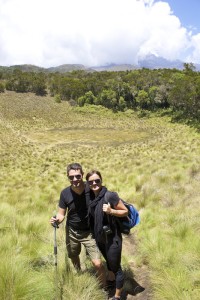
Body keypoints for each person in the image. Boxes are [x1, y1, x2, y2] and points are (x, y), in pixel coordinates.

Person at [50, 163, 106, 287]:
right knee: (73, 255)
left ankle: (104, 288)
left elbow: (104, 194)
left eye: (78, 176)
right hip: (72, 231)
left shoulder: (91, 188)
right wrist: (56, 220)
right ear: (68, 177)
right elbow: (61, 214)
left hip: (89, 232)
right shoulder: (65, 193)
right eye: (71, 177)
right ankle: (80, 272)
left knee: (97, 264)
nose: (75, 180)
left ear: (82, 175)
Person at [86, 170, 128, 300]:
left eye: (97, 180)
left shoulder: (110, 196)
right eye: (91, 181)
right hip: (101, 238)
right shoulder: (91, 198)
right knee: (109, 263)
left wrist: (111, 211)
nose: (94, 183)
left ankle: (117, 296)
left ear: (101, 180)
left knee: (116, 267)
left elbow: (125, 211)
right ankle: (111, 282)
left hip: (112, 238)